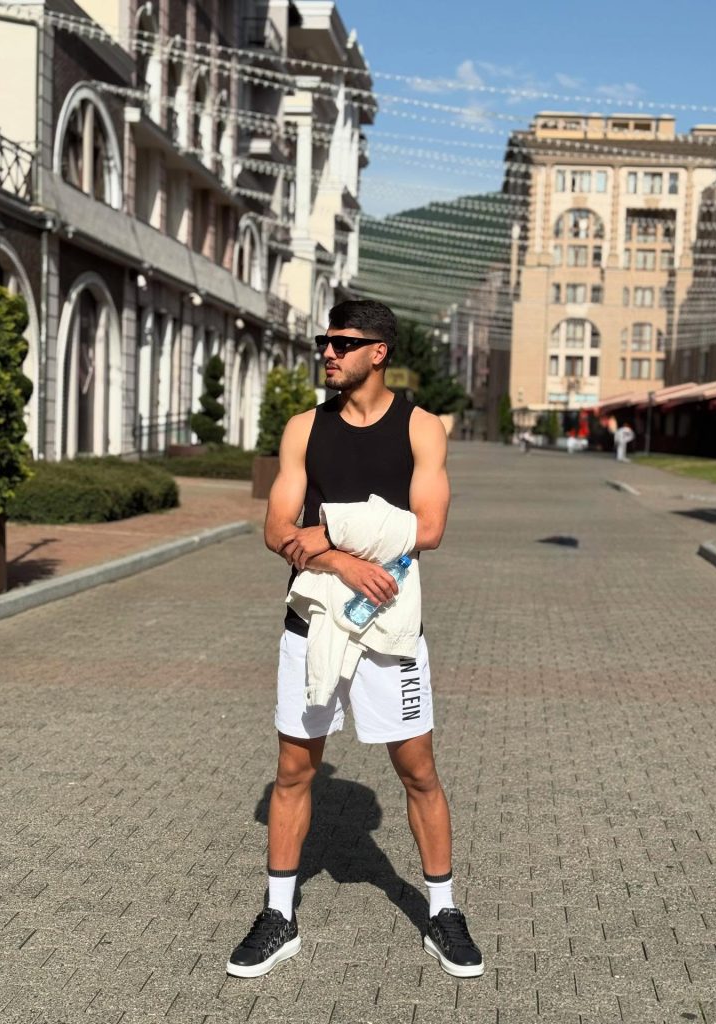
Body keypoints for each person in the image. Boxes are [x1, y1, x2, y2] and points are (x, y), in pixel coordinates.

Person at [226, 299, 484, 980]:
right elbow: (276, 529)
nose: (328, 352)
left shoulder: (421, 428)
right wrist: (339, 558)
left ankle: (443, 911)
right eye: (325, 341)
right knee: (292, 771)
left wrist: (328, 532)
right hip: (312, 621)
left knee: (419, 772)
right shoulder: (304, 428)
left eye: (342, 342)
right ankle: (278, 915)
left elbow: (429, 528)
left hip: (390, 625)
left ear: (379, 352)